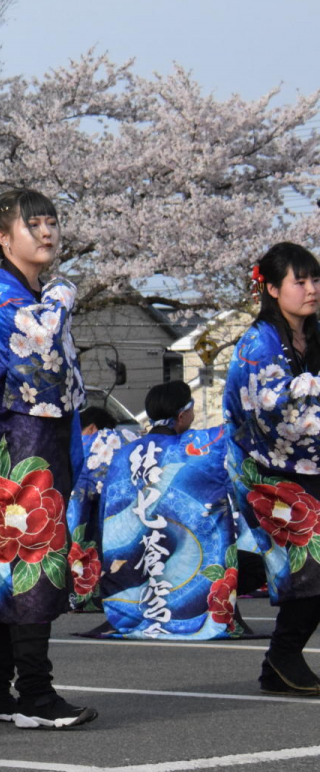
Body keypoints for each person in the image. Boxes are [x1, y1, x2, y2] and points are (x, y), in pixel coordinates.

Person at [0, 188, 97, 729]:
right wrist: (57, 299)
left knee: (19, 568)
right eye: (32, 225)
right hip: (13, 447)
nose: (46, 233)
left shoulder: (28, 291)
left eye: (51, 222)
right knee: (33, 563)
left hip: (35, 443)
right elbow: (40, 354)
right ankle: (35, 693)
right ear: (2, 237)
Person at [224, 242, 320, 696]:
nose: (311, 289)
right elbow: (270, 414)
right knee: (311, 558)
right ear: (273, 288)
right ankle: (283, 655)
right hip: (265, 467)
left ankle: (279, 661)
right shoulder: (257, 342)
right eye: (299, 281)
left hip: (308, 463)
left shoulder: (315, 334)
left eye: (315, 279)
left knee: (313, 563)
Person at [91, 380, 252, 639]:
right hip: (180, 559)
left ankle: (132, 613)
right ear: (182, 414)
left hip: (133, 560)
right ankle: (201, 614)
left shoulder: (124, 454)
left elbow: (107, 511)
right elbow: (238, 430)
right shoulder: (201, 444)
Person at [65, 409, 133, 613]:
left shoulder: (84, 443)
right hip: (117, 506)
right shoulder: (123, 439)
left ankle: (76, 594)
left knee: (78, 536)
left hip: (78, 502)